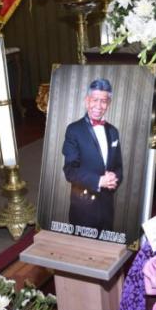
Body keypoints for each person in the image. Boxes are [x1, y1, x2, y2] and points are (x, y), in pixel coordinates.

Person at [62, 78, 123, 232]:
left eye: (103, 101)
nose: (98, 106)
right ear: (87, 101)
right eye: (94, 100)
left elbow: (118, 166)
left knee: (105, 249)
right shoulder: (74, 130)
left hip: (107, 206)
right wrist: (99, 181)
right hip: (83, 207)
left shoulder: (113, 131)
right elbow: (70, 171)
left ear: (108, 104)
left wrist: (113, 179)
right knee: (82, 251)